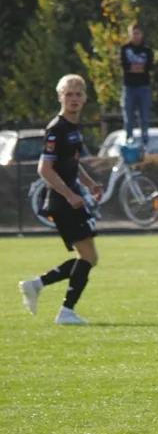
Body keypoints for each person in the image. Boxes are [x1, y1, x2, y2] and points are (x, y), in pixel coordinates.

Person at [19, 75, 103, 326]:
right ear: (60, 97)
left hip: (70, 200)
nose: (74, 98)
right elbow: (44, 170)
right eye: (69, 94)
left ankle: (37, 285)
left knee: (89, 257)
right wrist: (69, 194)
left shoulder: (74, 127)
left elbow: (71, 164)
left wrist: (90, 184)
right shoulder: (56, 128)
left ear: (85, 98)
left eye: (78, 94)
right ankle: (66, 311)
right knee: (88, 257)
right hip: (61, 202)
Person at [119, 23, 154, 147]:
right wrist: (136, 68)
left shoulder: (147, 50)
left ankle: (145, 141)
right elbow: (125, 66)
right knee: (128, 117)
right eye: (133, 34)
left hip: (144, 86)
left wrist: (136, 68)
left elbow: (148, 67)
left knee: (144, 117)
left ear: (142, 34)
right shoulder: (125, 48)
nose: (136, 36)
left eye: (138, 33)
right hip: (129, 87)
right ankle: (129, 140)